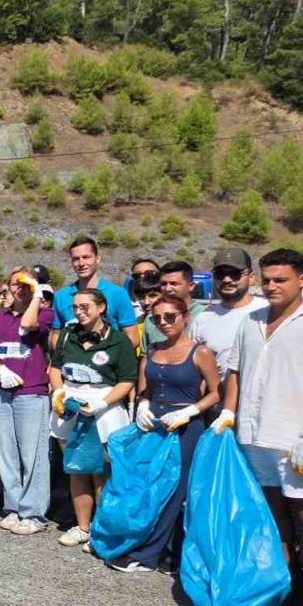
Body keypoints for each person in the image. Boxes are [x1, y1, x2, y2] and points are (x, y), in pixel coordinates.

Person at [109, 294, 221, 573]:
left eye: (170, 316)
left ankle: (150, 555)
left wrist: (191, 411)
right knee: (148, 486)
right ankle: (147, 546)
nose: (163, 322)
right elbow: (144, 387)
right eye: (157, 318)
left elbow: (217, 392)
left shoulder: (200, 352)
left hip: (184, 428)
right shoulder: (153, 351)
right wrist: (143, 404)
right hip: (154, 426)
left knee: (173, 490)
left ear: (185, 317)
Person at [223, 248, 303, 587]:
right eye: (267, 279)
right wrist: (228, 412)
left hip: (294, 441)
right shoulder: (251, 321)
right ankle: (282, 585)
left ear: (301, 280)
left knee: (301, 516)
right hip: (254, 437)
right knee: (272, 519)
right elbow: (235, 371)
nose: (272, 286)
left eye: (280, 279)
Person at [49, 289, 138, 550]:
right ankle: (83, 527)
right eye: (75, 307)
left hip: (104, 410)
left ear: (101, 308)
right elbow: (55, 368)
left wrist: (103, 402)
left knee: (101, 471)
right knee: (77, 470)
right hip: (70, 408)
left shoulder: (119, 341)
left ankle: (103, 530)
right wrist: (59, 391)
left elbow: (127, 380)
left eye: (85, 306)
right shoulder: (66, 336)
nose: (79, 311)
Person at [0, 269, 52, 532]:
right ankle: (14, 506)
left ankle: (34, 513)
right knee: (5, 451)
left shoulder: (45, 313)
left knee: (32, 454)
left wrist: (35, 295)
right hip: (1, 390)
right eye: (14, 283)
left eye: (24, 283)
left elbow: (28, 326)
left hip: (31, 392)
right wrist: (1, 370)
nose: (19, 287)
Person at [190, 248, 267, 378]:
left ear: (251, 277)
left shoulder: (268, 311)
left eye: (235, 273)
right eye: (220, 274)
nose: (227, 279)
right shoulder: (202, 319)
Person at [52, 237, 139, 349]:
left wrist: (109, 357)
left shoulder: (118, 293)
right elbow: (56, 335)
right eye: (76, 259)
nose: (81, 263)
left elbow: (132, 336)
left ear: (97, 259)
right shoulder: (61, 296)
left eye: (86, 257)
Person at [141, 261, 208, 345]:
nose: (168, 289)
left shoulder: (206, 315)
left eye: (174, 284)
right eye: (163, 284)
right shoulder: (152, 319)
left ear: (191, 286)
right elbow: (145, 355)